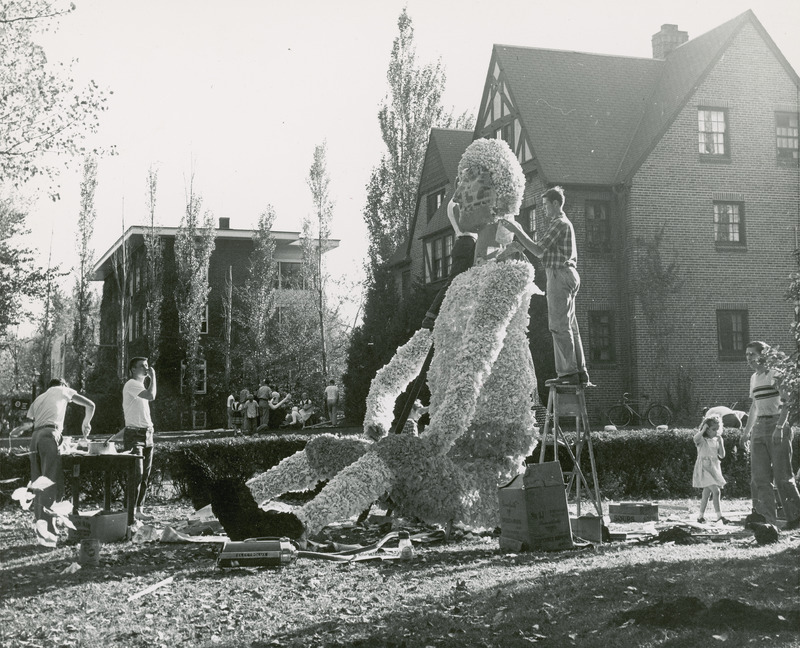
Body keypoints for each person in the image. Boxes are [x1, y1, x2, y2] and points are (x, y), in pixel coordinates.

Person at [499, 186, 589, 385]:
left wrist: (517, 230)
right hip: (567, 274)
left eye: (546, 205)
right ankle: (580, 371)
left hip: (559, 275)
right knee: (570, 326)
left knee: (558, 326)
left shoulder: (559, 223)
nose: (544, 209)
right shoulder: (561, 223)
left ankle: (568, 374)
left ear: (556, 204)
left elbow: (538, 250)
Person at [11, 378, 95, 537]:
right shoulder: (63, 390)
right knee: (50, 482)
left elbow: (27, 425)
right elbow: (91, 405)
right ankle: (49, 528)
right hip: (49, 435)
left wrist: (17, 431)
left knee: (37, 484)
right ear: (63, 385)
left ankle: (41, 525)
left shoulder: (39, 398)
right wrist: (86, 422)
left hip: (35, 438)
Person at [741, 341, 800, 529]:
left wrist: (780, 427)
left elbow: (787, 402)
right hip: (759, 427)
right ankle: (767, 521)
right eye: (747, 354)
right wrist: (746, 432)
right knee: (759, 478)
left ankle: (795, 517)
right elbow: (754, 407)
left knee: (782, 476)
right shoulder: (753, 378)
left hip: (777, 424)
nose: (749, 358)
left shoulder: (776, 374)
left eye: (752, 354)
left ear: (763, 355)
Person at [122, 357, 157, 521]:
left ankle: (138, 510)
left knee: (144, 476)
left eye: (147, 365)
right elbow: (151, 396)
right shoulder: (131, 384)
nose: (146, 368)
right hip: (134, 435)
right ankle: (128, 514)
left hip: (147, 433)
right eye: (142, 366)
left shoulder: (140, 385)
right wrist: (154, 377)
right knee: (136, 474)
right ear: (133, 370)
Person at [692, 414, 728, 523]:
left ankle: (700, 516)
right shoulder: (702, 440)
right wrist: (703, 430)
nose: (716, 432)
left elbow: (722, 455)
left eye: (718, 429)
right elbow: (695, 438)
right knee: (716, 491)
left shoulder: (716, 440)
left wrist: (721, 443)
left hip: (714, 468)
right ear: (707, 429)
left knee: (706, 493)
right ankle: (719, 516)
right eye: (713, 429)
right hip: (704, 468)